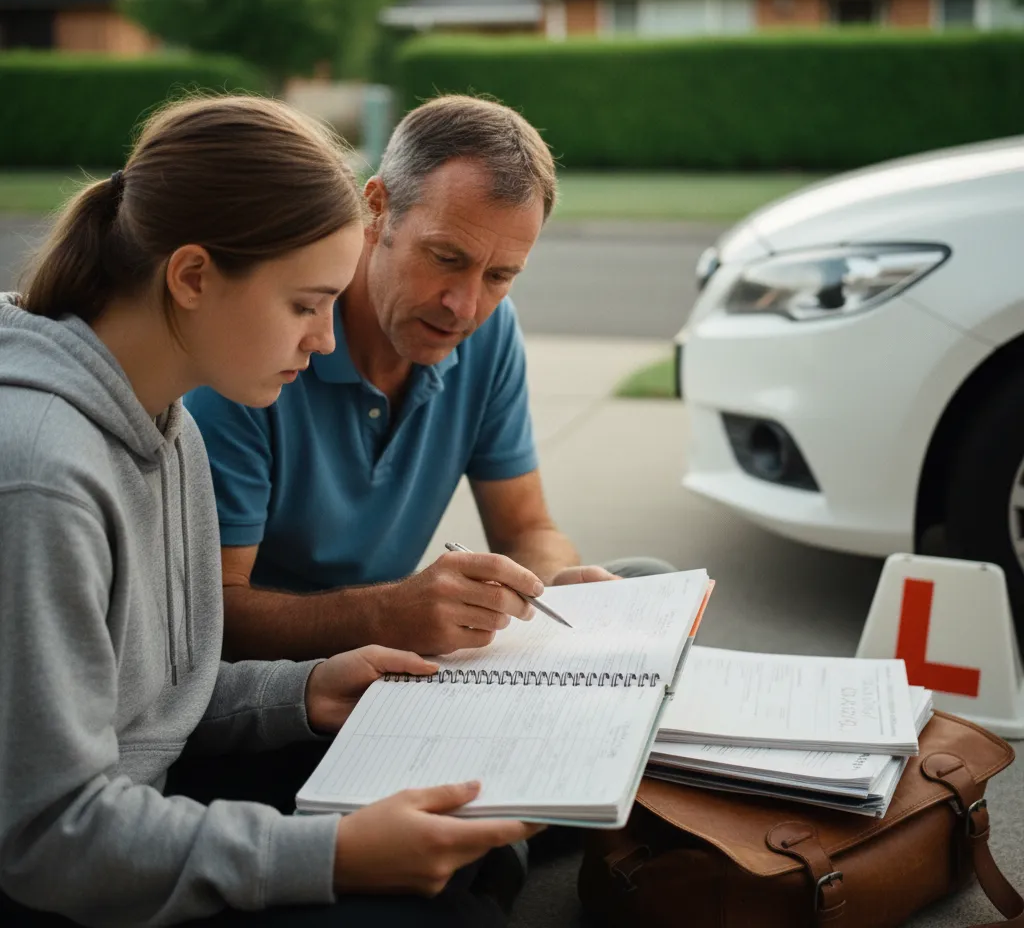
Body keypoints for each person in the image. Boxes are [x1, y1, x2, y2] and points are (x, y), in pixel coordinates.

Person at [0, 95, 536, 928]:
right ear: (190, 277)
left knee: (467, 863)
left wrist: (307, 690)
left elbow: (153, 700)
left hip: (143, 822)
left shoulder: (165, 424)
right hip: (74, 884)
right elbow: (46, 835)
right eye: (303, 305)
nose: (325, 339)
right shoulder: (43, 474)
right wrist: (334, 853)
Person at [186, 95, 674, 662]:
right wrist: (387, 615)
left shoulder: (489, 334)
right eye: (446, 258)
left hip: (394, 650)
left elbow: (525, 528)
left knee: (646, 578)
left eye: (498, 276)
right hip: (280, 687)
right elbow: (214, 617)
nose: (464, 307)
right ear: (377, 210)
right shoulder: (270, 337)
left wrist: (550, 586)